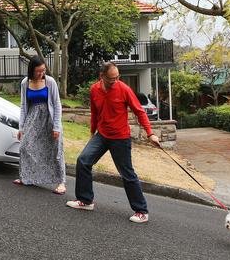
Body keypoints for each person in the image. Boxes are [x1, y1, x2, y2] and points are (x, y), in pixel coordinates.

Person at [66, 61, 160, 223]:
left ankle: (141, 211)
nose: (115, 81)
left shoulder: (124, 89)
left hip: (120, 137)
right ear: (101, 76)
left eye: (117, 77)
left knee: (127, 173)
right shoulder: (94, 89)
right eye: (111, 78)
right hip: (102, 135)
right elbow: (95, 113)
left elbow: (139, 111)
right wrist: (92, 132)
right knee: (83, 161)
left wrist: (150, 133)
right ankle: (85, 200)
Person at [13, 56, 66, 194]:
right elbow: (23, 106)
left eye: (43, 70)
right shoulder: (25, 82)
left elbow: (57, 104)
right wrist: (21, 128)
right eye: (38, 71)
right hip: (33, 119)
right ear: (32, 70)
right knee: (25, 146)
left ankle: (61, 182)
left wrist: (56, 126)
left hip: (49, 119)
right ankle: (27, 177)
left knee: (55, 150)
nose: (41, 73)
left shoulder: (50, 81)